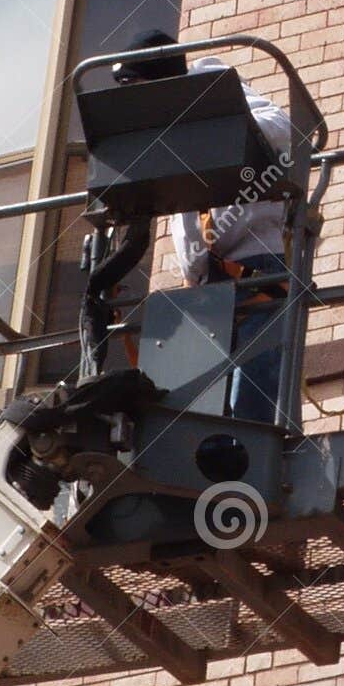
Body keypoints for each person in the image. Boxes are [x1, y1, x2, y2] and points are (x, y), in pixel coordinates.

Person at [116, 31, 294, 425]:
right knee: (199, 413)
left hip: (255, 268)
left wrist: (210, 128)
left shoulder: (211, 89)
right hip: (204, 288)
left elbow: (280, 127)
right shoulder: (164, 129)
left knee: (251, 401)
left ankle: (250, 467)